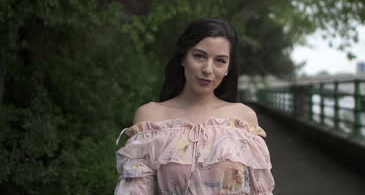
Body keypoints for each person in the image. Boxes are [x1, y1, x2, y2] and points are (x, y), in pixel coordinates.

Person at [114, 18, 275, 194]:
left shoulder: (243, 119)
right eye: (199, 56)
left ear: (228, 68)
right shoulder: (151, 118)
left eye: (220, 60)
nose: (208, 69)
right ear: (183, 58)